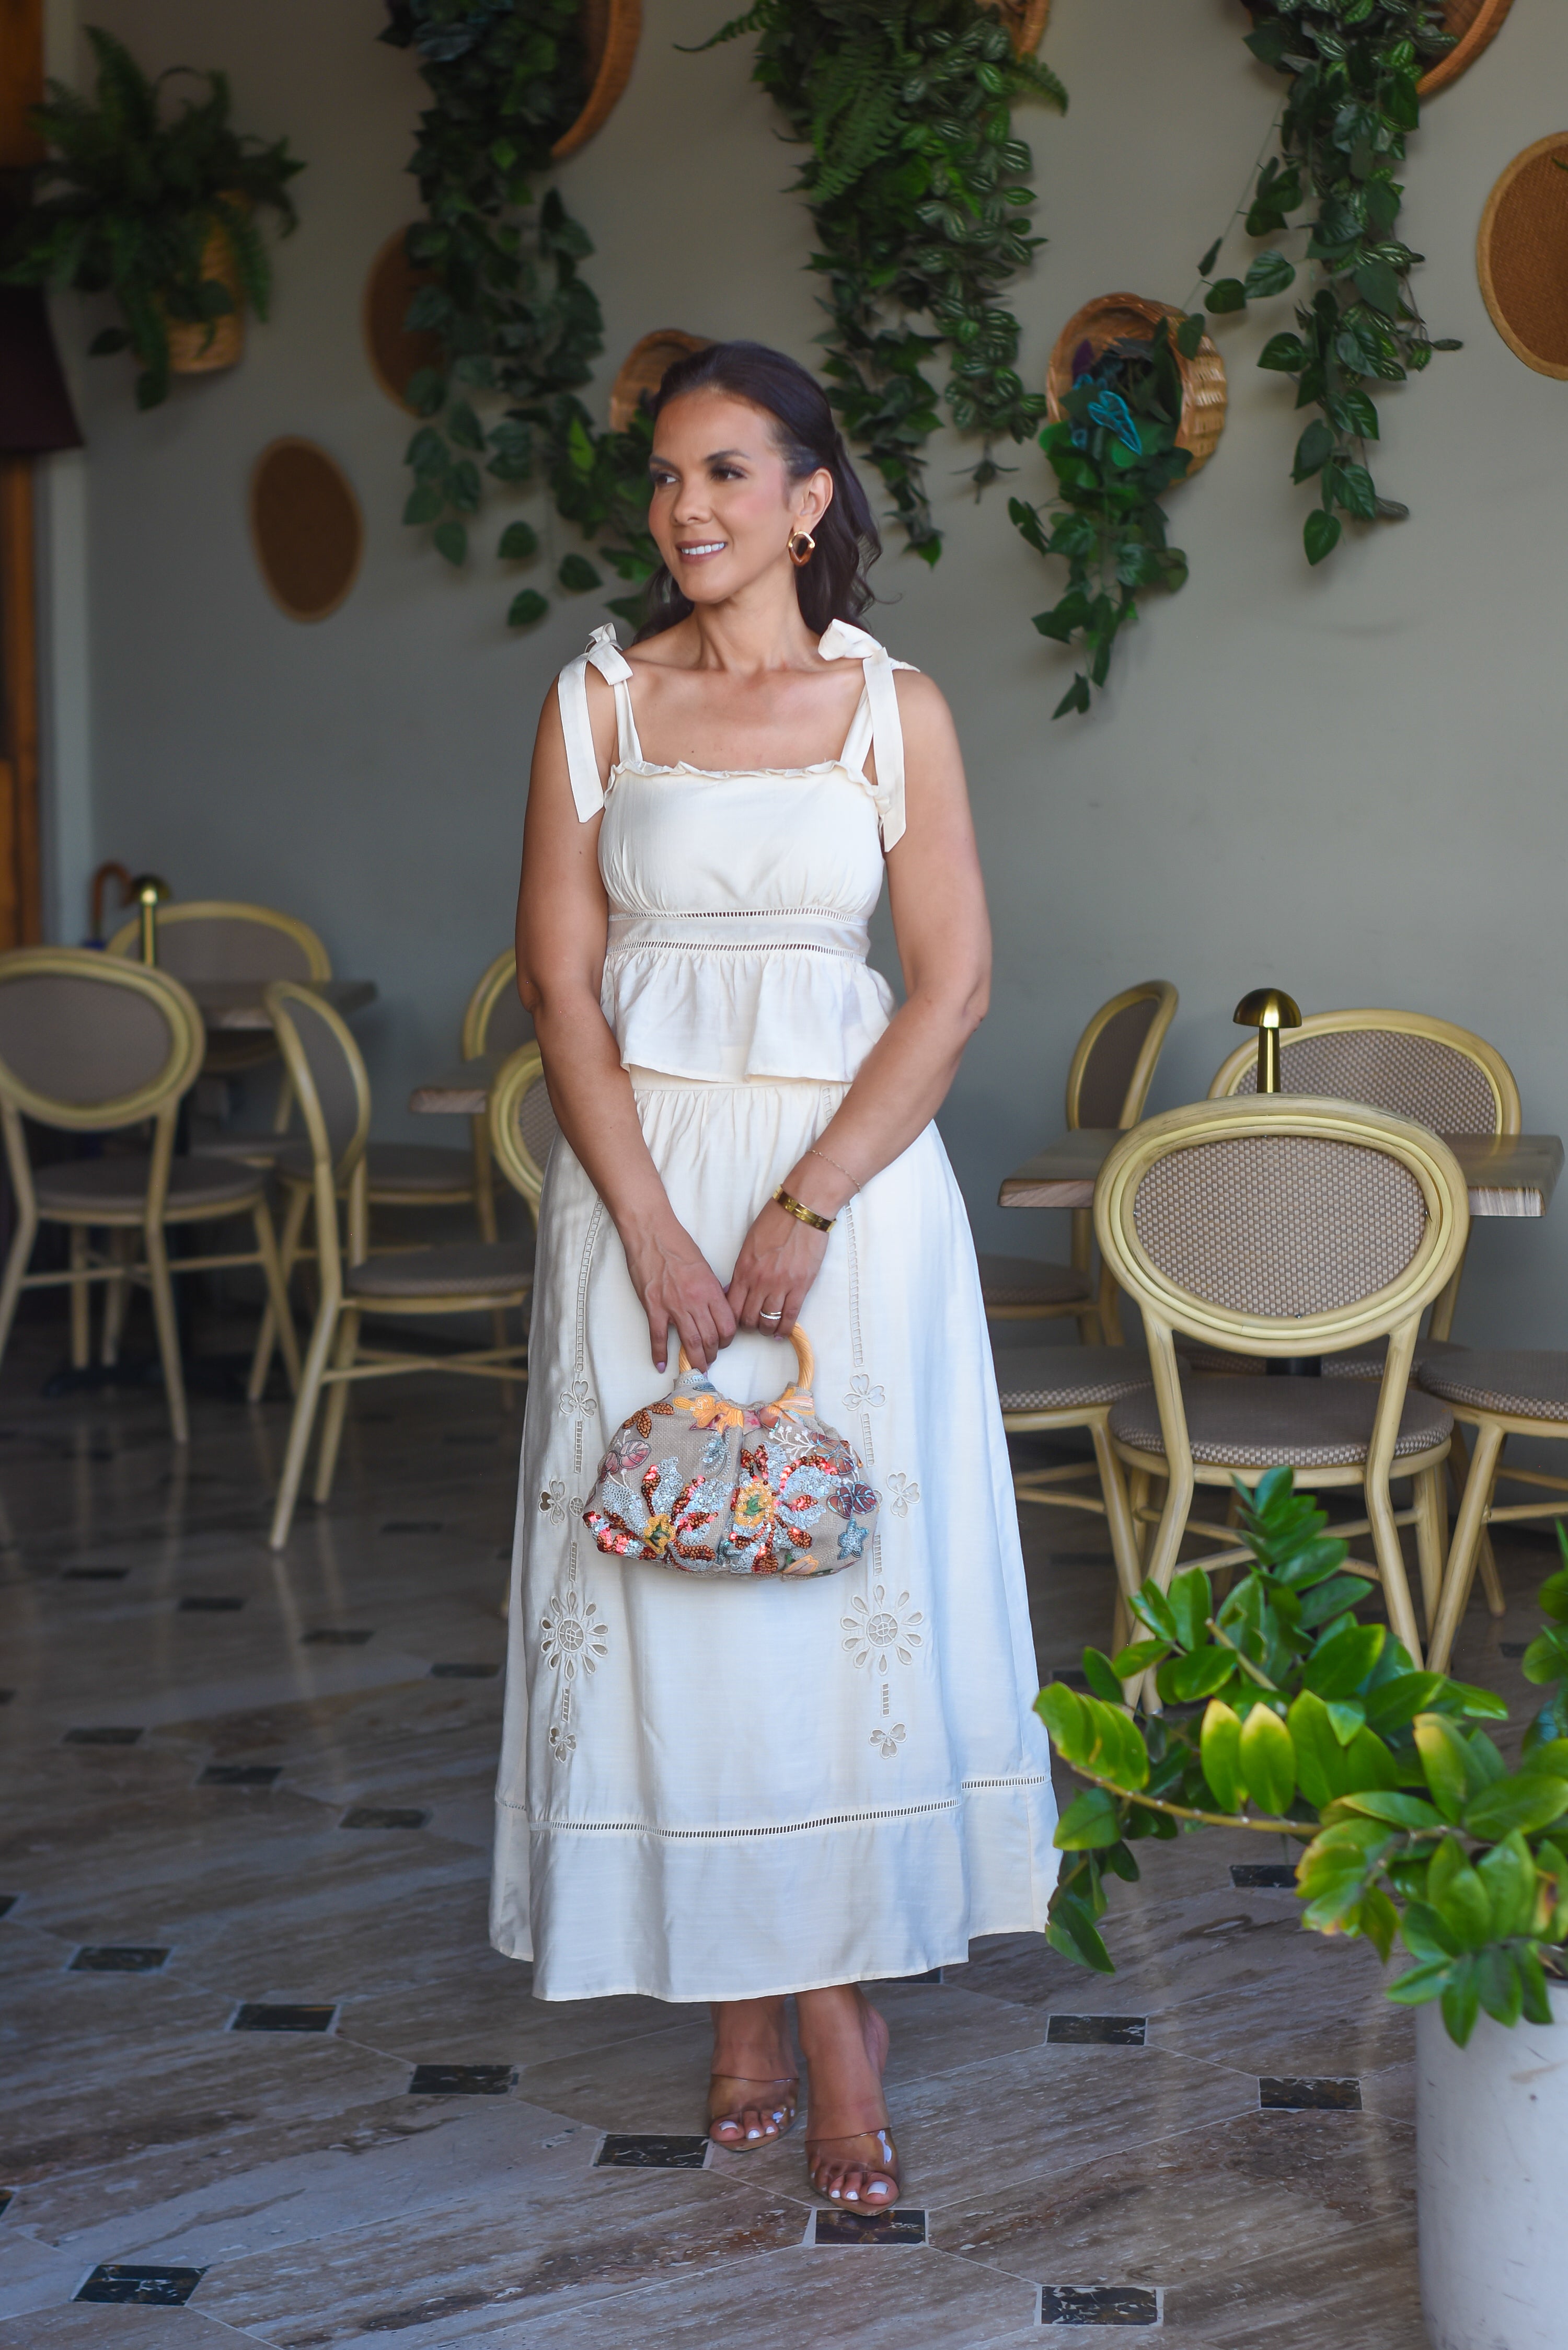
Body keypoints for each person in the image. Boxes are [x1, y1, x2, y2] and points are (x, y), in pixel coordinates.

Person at [492, 340, 1055, 2207]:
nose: (687, 509)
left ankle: (819, 2017)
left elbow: (953, 986)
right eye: (666, 477)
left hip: (851, 1207)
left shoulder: (896, 709)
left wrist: (806, 1205)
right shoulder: (597, 703)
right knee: (678, 1590)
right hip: (638, 1196)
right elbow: (562, 986)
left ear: (811, 498)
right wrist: (652, 1224)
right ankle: (761, 2000)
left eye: (726, 472)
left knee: (826, 1599)